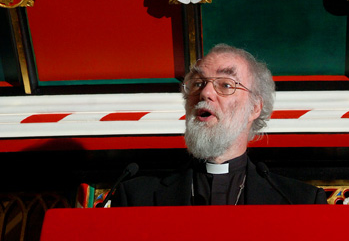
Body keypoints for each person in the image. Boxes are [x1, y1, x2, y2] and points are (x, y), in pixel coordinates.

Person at [112, 44, 327, 206]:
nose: (205, 93)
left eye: (225, 84)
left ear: (254, 108)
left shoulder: (300, 202)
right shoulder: (136, 197)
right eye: (198, 83)